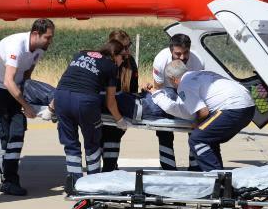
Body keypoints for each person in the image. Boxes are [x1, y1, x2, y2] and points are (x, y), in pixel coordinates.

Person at [0, 18, 55, 196]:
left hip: (15, 90)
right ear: (36, 34)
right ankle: (7, 180)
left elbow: (27, 74)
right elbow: (8, 80)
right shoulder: (16, 46)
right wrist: (27, 106)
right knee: (2, 136)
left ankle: (11, 178)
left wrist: (33, 99)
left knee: (17, 132)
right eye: (48, 37)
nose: (50, 41)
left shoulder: (38, 49)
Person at [150, 60, 255, 171]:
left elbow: (203, 112)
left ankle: (218, 180)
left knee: (197, 139)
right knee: (209, 139)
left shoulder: (184, 84)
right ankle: (219, 175)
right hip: (249, 107)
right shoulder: (201, 74)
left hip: (232, 109)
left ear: (173, 78)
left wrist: (196, 124)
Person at [54, 40, 127, 181]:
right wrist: (120, 120)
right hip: (84, 101)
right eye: (122, 57)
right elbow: (110, 101)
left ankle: (75, 182)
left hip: (61, 97)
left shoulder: (81, 54)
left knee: (70, 144)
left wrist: (52, 107)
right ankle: (92, 183)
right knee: (92, 143)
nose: (122, 61)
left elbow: (66, 80)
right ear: (115, 54)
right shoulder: (111, 66)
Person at [148, 34, 205, 171]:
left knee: (197, 127)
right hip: (168, 90)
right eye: (177, 54)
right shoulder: (161, 60)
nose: (182, 57)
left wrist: (197, 119)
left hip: (190, 91)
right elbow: (159, 88)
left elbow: (198, 91)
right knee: (164, 127)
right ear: (170, 51)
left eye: (185, 53)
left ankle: (195, 166)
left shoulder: (198, 62)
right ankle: (168, 167)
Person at [101, 30, 139, 172]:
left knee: (113, 138)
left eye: (129, 46)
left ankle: (110, 169)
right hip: (103, 107)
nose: (128, 52)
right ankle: (107, 170)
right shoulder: (104, 63)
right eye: (125, 48)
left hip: (120, 109)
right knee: (103, 140)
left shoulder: (130, 63)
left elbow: (133, 89)